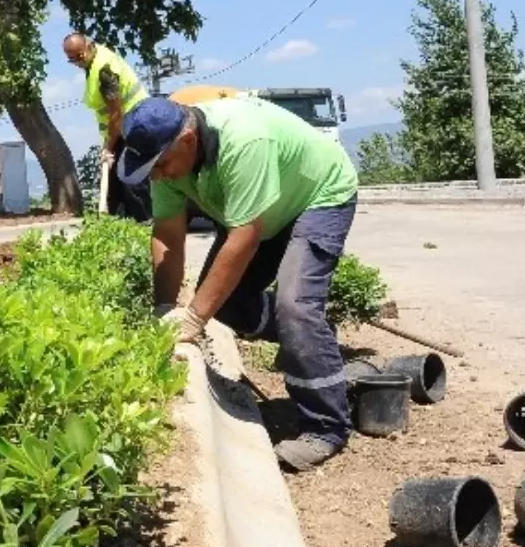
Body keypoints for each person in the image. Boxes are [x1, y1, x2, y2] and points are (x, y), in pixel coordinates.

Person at [116, 93, 359, 472]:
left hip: (318, 195)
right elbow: (167, 235)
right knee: (226, 303)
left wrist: (194, 319)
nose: (158, 176)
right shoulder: (166, 160)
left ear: (188, 141)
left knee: (294, 306)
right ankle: (312, 340)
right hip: (266, 212)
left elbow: (245, 237)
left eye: (161, 165)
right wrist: (164, 309)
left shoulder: (243, 142)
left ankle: (326, 427)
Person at [62, 32, 151, 221]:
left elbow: (116, 113)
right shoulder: (93, 63)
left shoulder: (104, 70)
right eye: (72, 60)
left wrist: (108, 148)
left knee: (132, 184)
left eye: (78, 56)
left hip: (134, 127)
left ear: (88, 46)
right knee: (114, 188)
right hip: (121, 130)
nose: (77, 63)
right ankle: (118, 227)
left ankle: (146, 227)